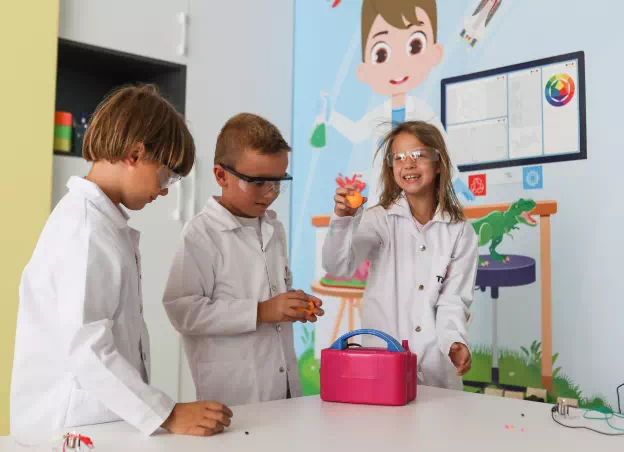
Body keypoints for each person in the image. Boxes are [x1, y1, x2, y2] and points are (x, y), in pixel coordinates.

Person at [10, 85, 232, 437]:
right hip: (66, 426)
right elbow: (86, 349)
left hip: (96, 419)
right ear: (134, 154)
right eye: (167, 176)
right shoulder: (85, 231)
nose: (164, 190)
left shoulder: (101, 223)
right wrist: (168, 414)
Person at [163, 113, 324, 406]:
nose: (270, 194)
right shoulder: (202, 234)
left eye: (278, 182)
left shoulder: (274, 228)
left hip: (284, 391)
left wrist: (291, 304)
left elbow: (271, 294)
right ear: (221, 176)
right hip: (235, 395)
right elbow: (183, 311)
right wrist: (261, 311)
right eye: (258, 183)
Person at [322, 120, 478, 390]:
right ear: (391, 167)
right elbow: (338, 266)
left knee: (439, 416)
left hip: (436, 368)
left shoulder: (460, 231)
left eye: (418, 155)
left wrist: (453, 341)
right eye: (399, 157)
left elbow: (453, 300)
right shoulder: (378, 220)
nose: (408, 164)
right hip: (383, 365)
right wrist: (342, 221)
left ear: (438, 163)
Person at [318, 0, 475, 204]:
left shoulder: (422, 111)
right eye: (381, 54)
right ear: (364, 70)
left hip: (416, 197)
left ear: (435, 53)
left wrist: (454, 179)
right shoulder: (379, 114)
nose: (399, 64)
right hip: (382, 200)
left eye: (415, 45)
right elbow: (357, 133)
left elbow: (442, 145)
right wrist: (331, 117)